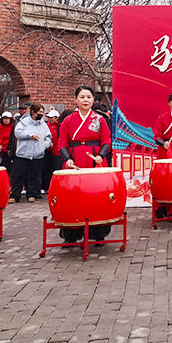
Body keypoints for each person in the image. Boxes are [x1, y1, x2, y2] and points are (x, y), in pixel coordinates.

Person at [58, 86, 113, 242]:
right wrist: (68, 159)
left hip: (94, 160)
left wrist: (102, 155)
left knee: (97, 195)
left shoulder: (100, 119)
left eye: (88, 97)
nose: (85, 100)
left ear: (93, 99)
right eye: (82, 97)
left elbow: (106, 140)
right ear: (76, 99)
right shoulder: (68, 120)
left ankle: (98, 234)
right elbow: (62, 143)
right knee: (72, 196)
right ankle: (71, 235)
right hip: (74, 160)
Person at [10, 103, 52, 203]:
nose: (41, 114)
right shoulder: (24, 122)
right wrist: (30, 135)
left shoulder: (43, 125)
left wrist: (43, 146)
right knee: (18, 175)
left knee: (34, 175)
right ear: (33, 112)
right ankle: (15, 195)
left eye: (42, 112)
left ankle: (31, 194)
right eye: (39, 112)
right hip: (23, 153)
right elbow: (18, 132)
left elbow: (48, 137)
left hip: (37, 154)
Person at [42, 108, 61, 191]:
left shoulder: (60, 127)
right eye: (49, 117)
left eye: (52, 118)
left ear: (57, 118)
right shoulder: (46, 126)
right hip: (47, 150)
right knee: (46, 169)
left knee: (56, 168)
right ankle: (45, 186)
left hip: (56, 151)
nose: (50, 119)